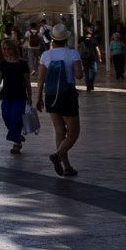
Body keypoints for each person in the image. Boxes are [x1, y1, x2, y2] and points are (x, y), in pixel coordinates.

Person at [38, 25, 83, 176]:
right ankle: (57, 156)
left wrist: (39, 97)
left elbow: (41, 79)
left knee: (59, 131)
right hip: (67, 94)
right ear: (66, 39)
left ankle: (67, 167)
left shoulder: (45, 55)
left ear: (52, 39)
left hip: (50, 95)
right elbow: (79, 75)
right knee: (73, 133)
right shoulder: (73, 54)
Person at [0, 40, 31, 154]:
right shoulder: (3, 64)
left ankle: (17, 143)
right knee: (7, 118)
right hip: (6, 95)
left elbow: (27, 81)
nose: (7, 51)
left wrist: (30, 96)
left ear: (14, 48)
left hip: (20, 95)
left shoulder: (22, 64)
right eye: (5, 49)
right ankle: (17, 135)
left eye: (9, 48)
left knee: (16, 118)